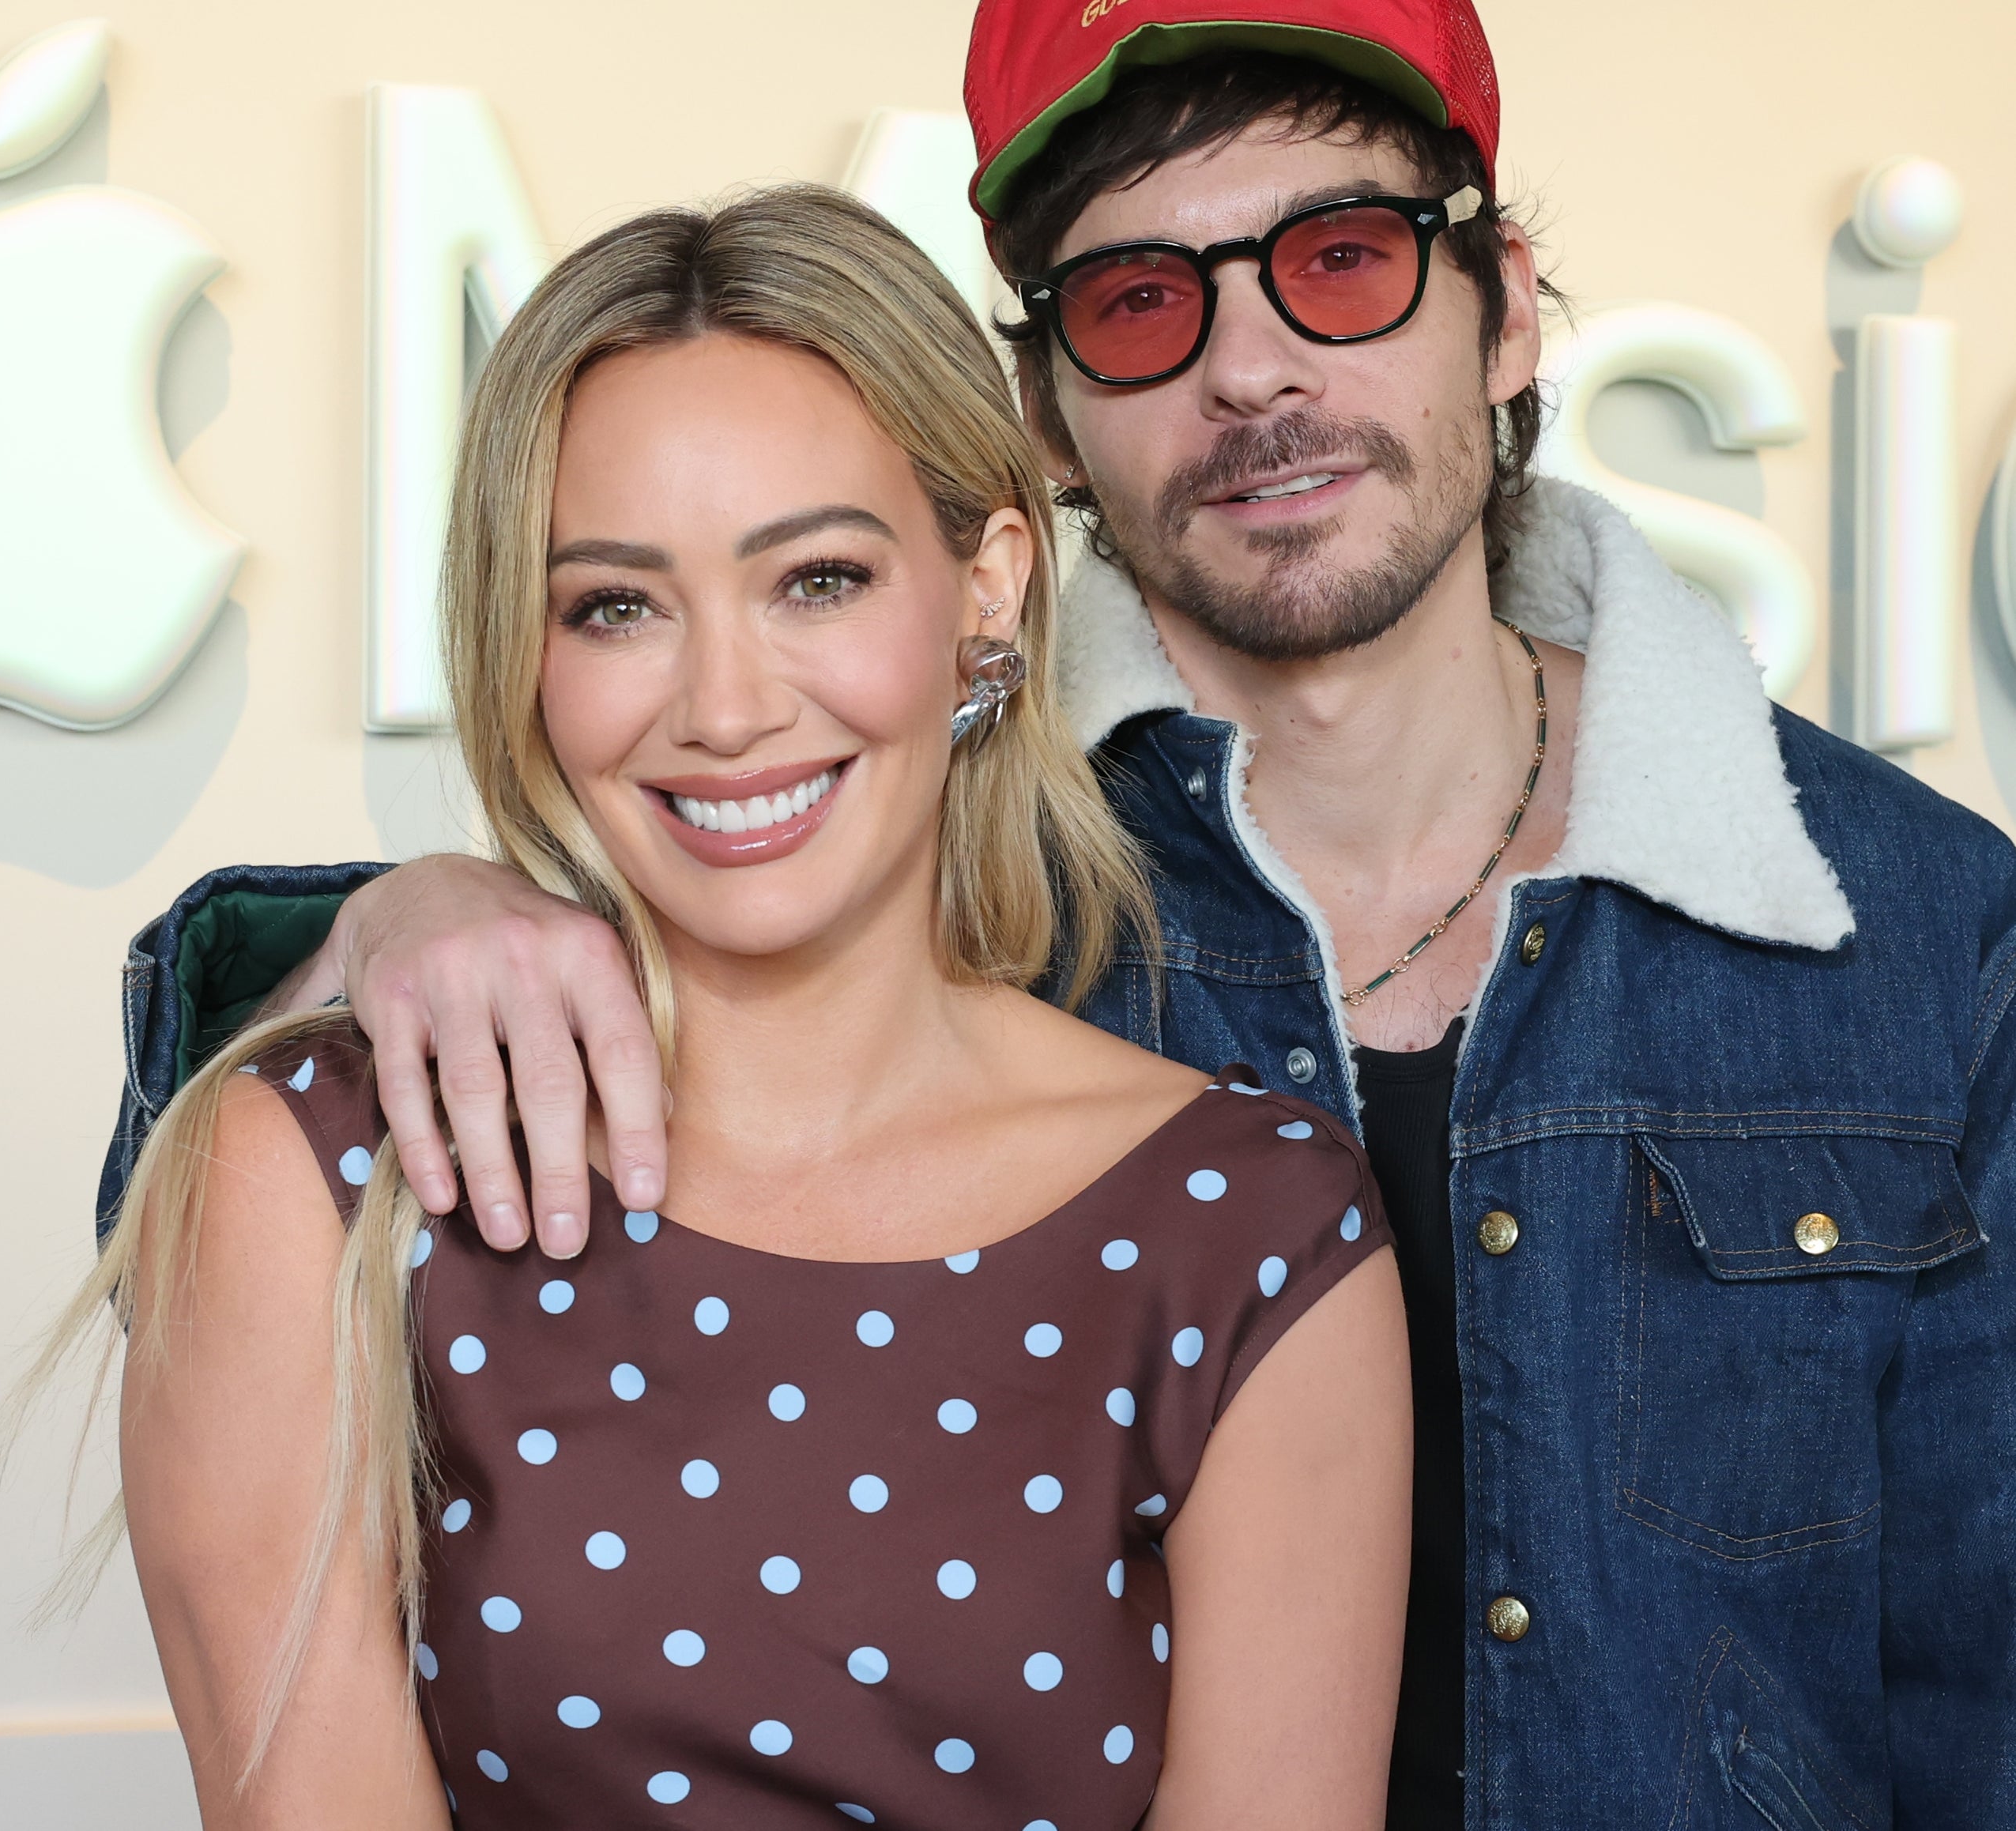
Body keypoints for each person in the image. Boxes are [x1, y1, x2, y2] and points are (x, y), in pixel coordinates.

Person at [100, 2, 2016, 1825]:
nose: (1253, 370)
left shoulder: (1924, 935)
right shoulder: (920, 864)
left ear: (1504, 306)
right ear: (1040, 410)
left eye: (1340, 259)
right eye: (1138, 302)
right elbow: (380, 1115)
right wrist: (399, 916)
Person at [64, 186, 1409, 1825]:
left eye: (818, 580)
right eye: (615, 605)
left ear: (983, 582)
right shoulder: (317, 1179)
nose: (723, 705)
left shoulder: (1253, 1229)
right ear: (522, 647)